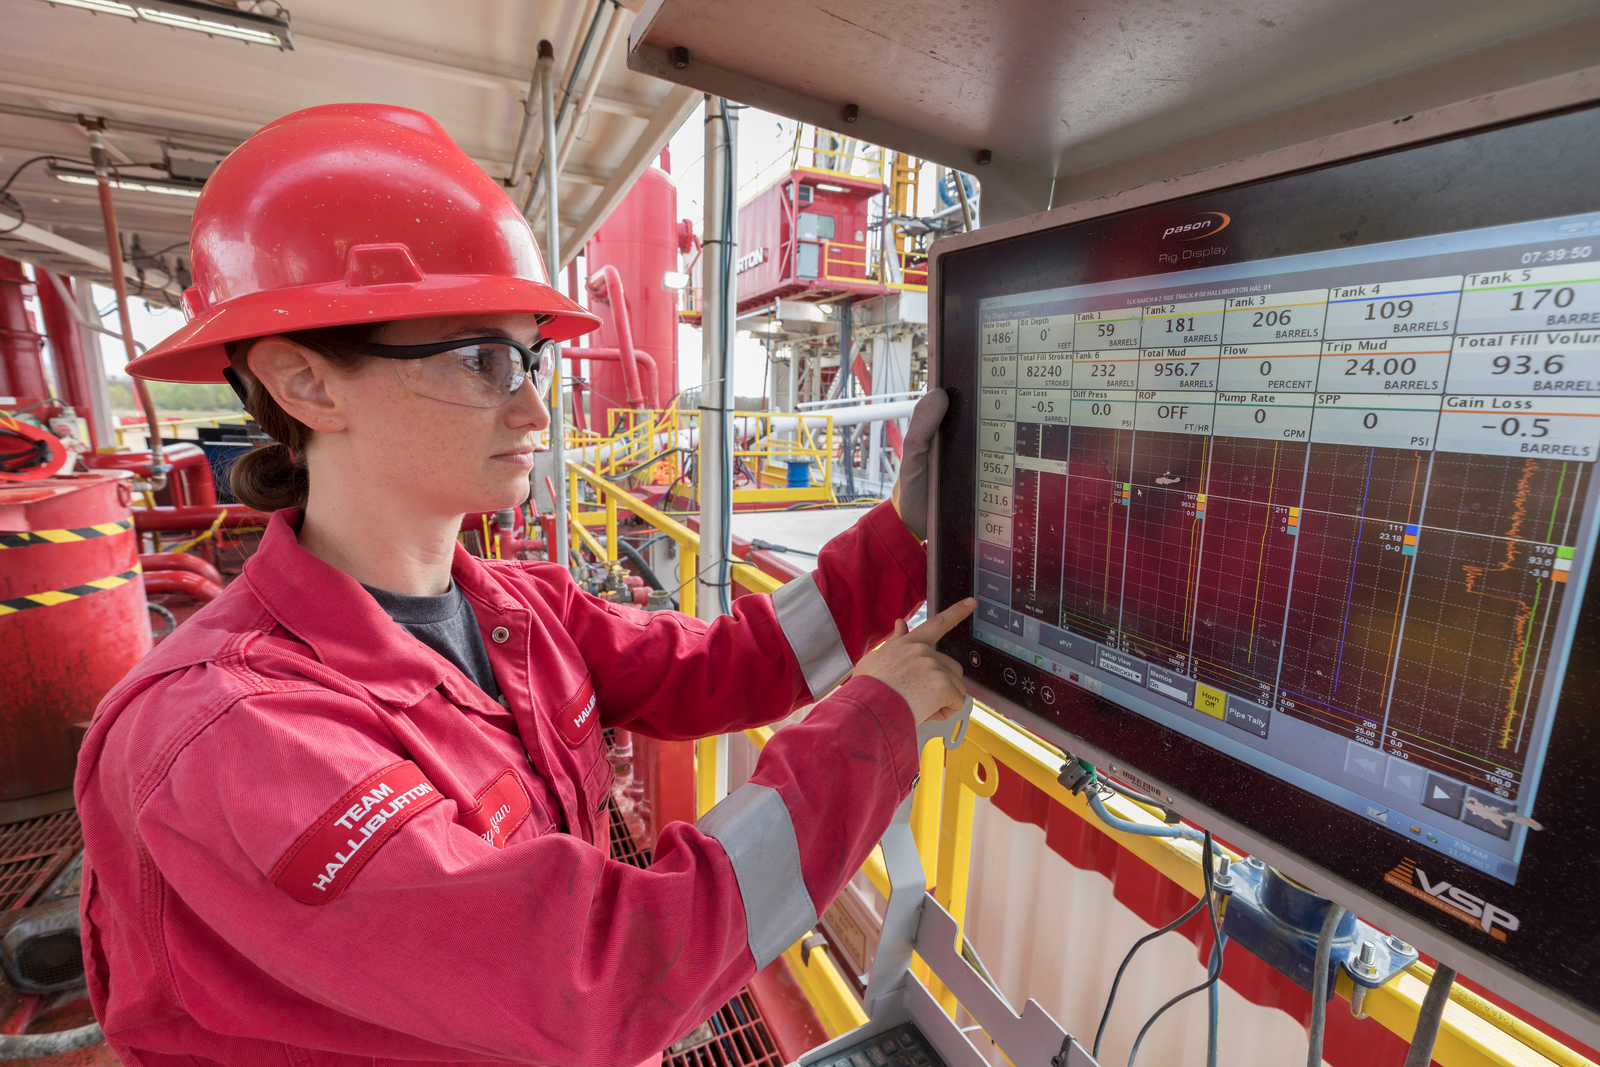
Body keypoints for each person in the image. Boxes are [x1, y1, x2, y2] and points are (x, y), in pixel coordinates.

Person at [74, 103, 972, 1067]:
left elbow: (731, 665)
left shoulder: (514, 610)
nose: (537, 407)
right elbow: (598, 975)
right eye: (483, 359)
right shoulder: (233, 738)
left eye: (530, 357)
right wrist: (873, 727)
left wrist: (908, 531)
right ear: (306, 385)